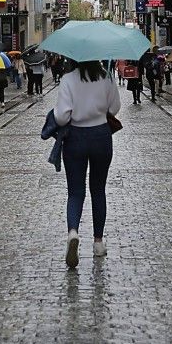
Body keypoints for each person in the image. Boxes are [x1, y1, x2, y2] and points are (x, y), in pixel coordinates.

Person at [53, 60, 121, 269]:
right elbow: (115, 108)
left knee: (75, 192)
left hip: (75, 138)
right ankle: (98, 243)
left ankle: (73, 231)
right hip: (101, 136)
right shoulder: (106, 77)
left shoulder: (68, 79)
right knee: (98, 190)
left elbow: (61, 116)